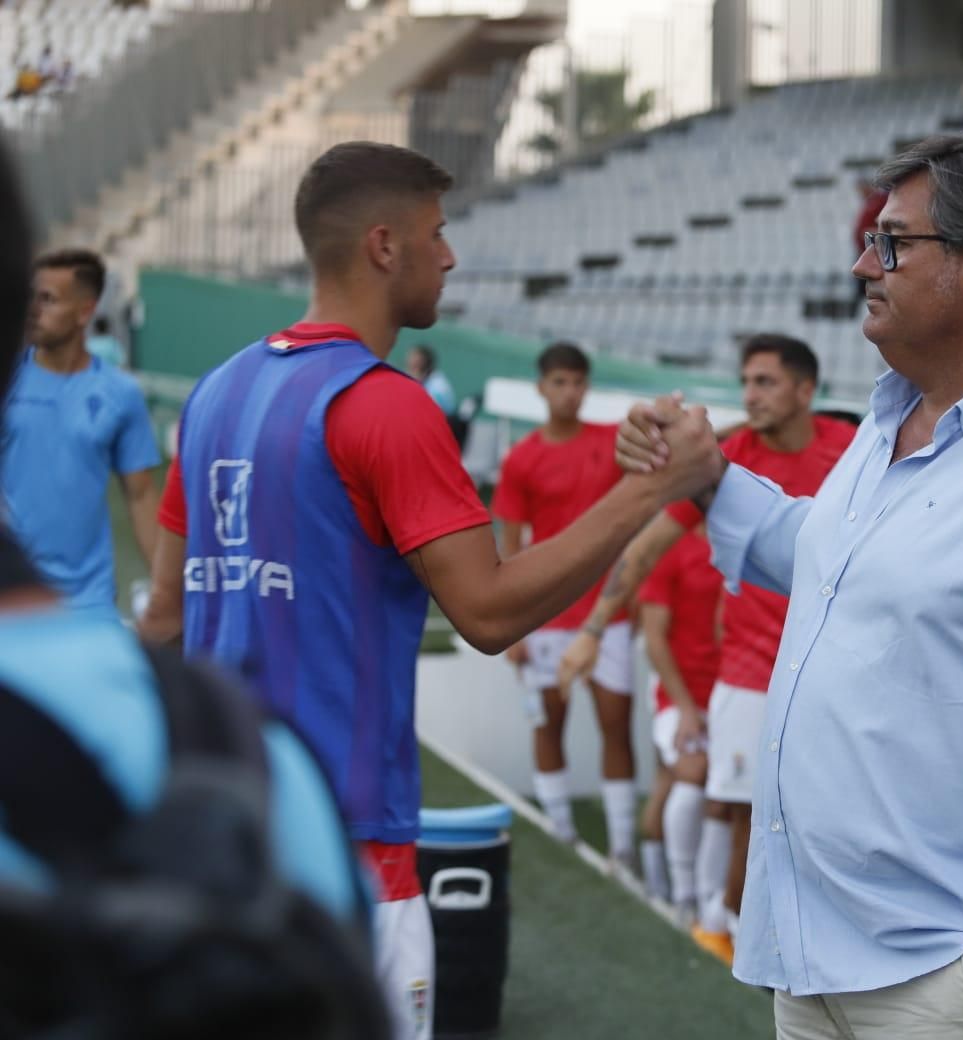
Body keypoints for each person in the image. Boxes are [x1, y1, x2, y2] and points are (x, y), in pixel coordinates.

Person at [136, 141, 722, 1040]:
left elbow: (166, 619)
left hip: (229, 847)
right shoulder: (384, 404)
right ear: (383, 245)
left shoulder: (215, 391)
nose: (448, 257)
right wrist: (652, 488)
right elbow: (485, 611)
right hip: (352, 858)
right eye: (436, 235)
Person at [619, 134, 963, 1040]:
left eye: (892, 242)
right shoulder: (888, 421)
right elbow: (822, 551)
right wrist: (706, 475)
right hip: (816, 956)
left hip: (947, 982)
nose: (862, 264)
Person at [0, 134, 387, 1040]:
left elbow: (145, 500)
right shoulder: (242, 765)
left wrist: (156, 617)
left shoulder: (118, 397)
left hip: (85, 623)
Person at [557, 334, 855, 966]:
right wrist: (592, 629)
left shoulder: (850, 449)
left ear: (806, 390)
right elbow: (645, 548)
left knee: (813, 817)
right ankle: (725, 928)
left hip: (831, 673)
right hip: (749, 674)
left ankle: (762, 932)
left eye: (766, 382)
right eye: (746, 381)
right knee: (742, 808)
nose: (750, 394)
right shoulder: (729, 458)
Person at [489, 342, 643, 869]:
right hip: (547, 617)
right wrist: (513, 628)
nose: (569, 392)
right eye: (559, 382)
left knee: (616, 728)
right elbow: (509, 545)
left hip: (607, 615)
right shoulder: (522, 458)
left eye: (578, 382)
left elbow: (638, 523)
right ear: (541, 387)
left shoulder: (612, 443)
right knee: (548, 726)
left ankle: (622, 849)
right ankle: (561, 833)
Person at [1, 249, 159, 616]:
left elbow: (140, 496)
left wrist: (167, 594)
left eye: (48, 300)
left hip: (90, 605)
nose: (33, 309)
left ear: (85, 311)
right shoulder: (6, 380)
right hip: (13, 600)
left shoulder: (122, 394)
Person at [636, 522, 722, 920]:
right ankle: (686, 899)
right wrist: (685, 707)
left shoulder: (741, 543)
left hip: (730, 694)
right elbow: (653, 637)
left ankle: (657, 880)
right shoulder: (671, 548)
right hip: (680, 698)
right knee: (691, 773)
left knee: (675, 783)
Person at [404, 344, 454, 417]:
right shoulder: (429, 380)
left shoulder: (437, 387)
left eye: (415, 361)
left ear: (421, 362)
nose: (409, 361)